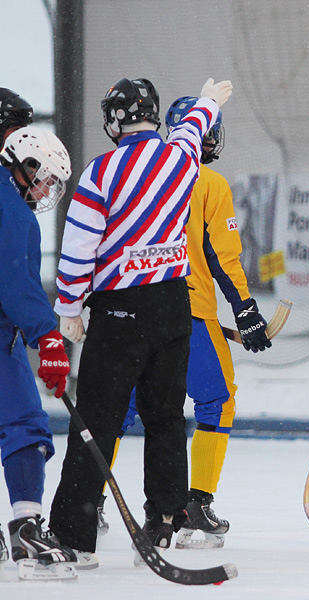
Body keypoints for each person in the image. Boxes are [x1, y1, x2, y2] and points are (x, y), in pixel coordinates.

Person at [48, 76, 234, 567]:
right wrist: (208, 102)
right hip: (174, 305)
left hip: (120, 311)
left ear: (114, 120)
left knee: (98, 421)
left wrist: (69, 308)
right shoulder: (180, 158)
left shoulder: (100, 172)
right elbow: (195, 128)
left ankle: (73, 535)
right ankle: (165, 521)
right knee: (167, 418)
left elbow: (79, 247)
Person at [97, 96, 270, 549]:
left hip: (130, 306)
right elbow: (223, 256)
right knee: (217, 399)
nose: (211, 139)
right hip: (188, 310)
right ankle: (193, 504)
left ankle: (90, 498)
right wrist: (246, 310)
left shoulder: (125, 170)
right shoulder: (208, 180)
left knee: (126, 406)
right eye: (207, 130)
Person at [0, 122, 78, 580]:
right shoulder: (12, 210)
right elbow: (16, 281)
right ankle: (27, 528)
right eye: (45, 176)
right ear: (25, 164)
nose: (47, 188)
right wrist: (48, 338)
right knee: (25, 424)